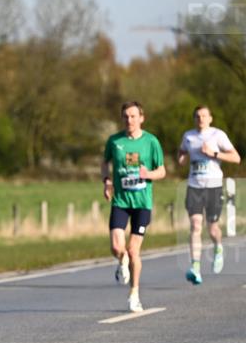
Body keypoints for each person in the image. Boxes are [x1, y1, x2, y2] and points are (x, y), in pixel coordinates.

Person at [102, 101, 166, 313]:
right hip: (120, 201)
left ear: (141, 118)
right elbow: (105, 162)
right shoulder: (114, 141)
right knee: (116, 248)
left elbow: (162, 171)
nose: (129, 120)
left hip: (142, 203)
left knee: (133, 250)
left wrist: (148, 174)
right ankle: (122, 261)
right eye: (125, 116)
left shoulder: (151, 142)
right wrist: (107, 181)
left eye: (133, 116)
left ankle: (134, 294)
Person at [178, 106, 240, 284]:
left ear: (210, 118)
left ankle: (218, 247)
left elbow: (236, 158)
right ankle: (195, 267)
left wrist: (213, 153)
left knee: (212, 228)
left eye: (204, 116)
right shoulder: (188, 136)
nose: (201, 119)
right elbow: (182, 152)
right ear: (194, 119)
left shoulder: (217, 135)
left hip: (213, 187)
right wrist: (182, 157)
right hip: (194, 186)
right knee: (195, 225)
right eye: (197, 116)